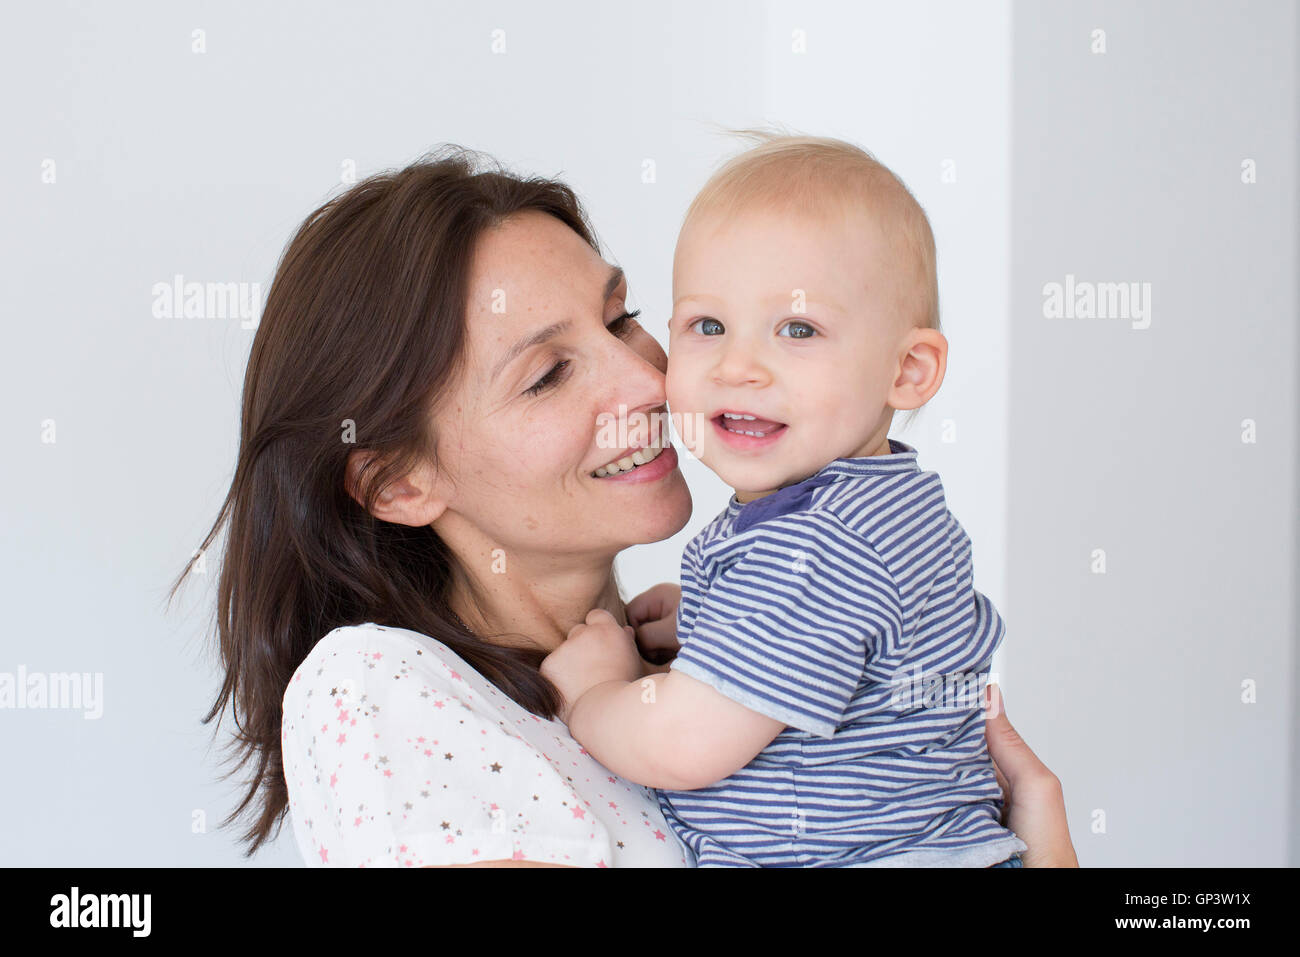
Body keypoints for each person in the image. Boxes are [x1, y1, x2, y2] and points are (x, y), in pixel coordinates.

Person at [175, 146, 1079, 868]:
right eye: (549, 374)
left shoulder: (686, 666)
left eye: (621, 317)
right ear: (399, 483)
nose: (652, 379)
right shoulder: (381, 689)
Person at [541, 134, 1026, 867]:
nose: (739, 366)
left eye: (798, 329)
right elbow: (854, 643)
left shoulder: (816, 546)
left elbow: (682, 743)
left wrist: (596, 692)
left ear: (909, 369)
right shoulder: (881, 507)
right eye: (708, 326)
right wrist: (715, 612)